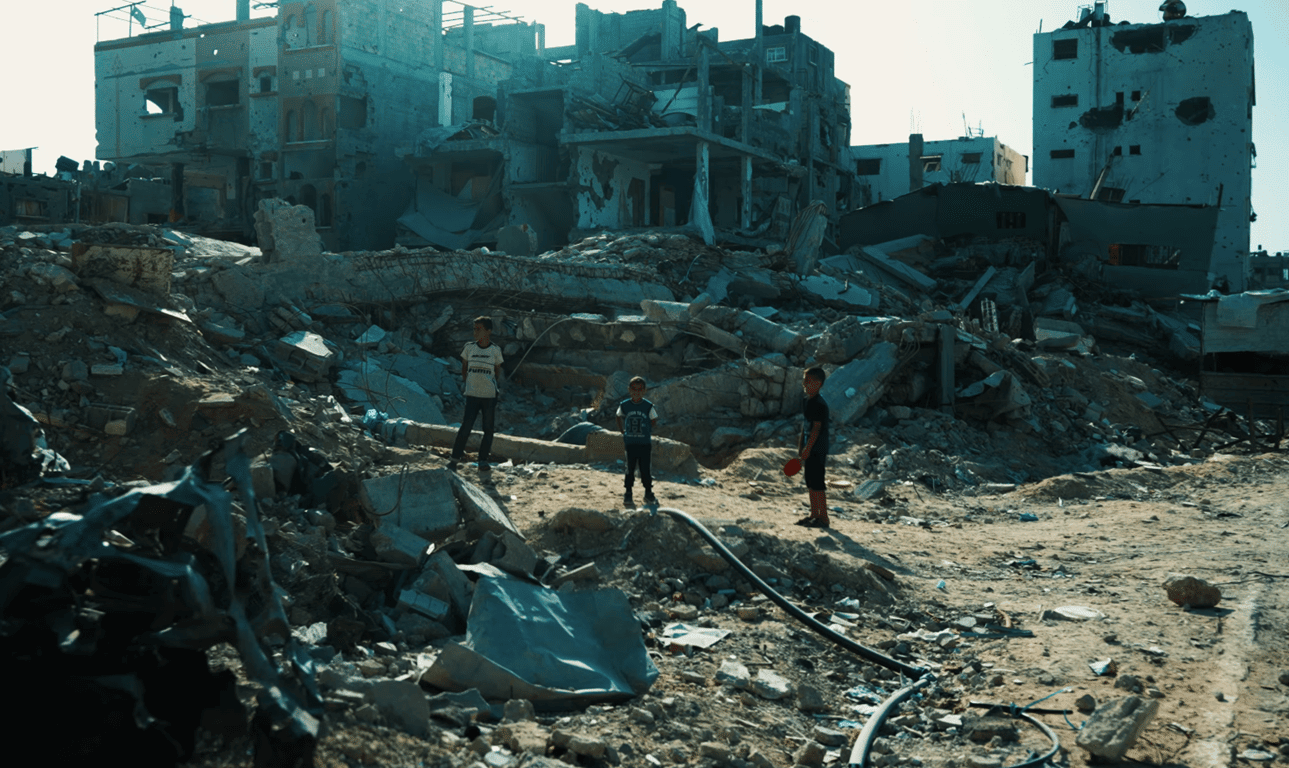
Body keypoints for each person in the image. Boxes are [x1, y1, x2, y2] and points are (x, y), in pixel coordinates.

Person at [450, 316, 504, 472]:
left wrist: (487, 384)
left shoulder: (495, 350)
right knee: (465, 427)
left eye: (479, 329)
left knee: (488, 428)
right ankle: (454, 459)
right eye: (474, 329)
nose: (475, 332)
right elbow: (464, 368)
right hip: (472, 395)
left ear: (488, 331)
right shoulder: (469, 348)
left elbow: (497, 371)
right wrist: (471, 384)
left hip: (489, 396)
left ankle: (483, 460)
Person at [616, 376, 659, 507]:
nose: (637, 392)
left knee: (645, 469)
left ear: (644, 391)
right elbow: (618, 416)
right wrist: (623, 431)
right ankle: (628, 493)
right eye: (634, 389)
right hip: (630, 443)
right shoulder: (625, 405)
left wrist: (647, 430)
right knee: (630, 468)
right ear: (629, 390)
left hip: (645, 444)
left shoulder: (648, 406)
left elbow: (654, 419)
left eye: (640, 390)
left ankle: (648, 492)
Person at [797, 367, 830, 528]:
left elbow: (816, 428)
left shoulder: (819, 404)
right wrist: (801, 447)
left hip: (817, 449)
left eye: (808, 381)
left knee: (817, 484)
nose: (804, 384)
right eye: (804, 380)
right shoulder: (808, 401)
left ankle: (823, 517)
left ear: (818, 384)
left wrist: (808, 448)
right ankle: (814, 514)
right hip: (809, 448)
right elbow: (806, 427)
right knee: (810, 483)